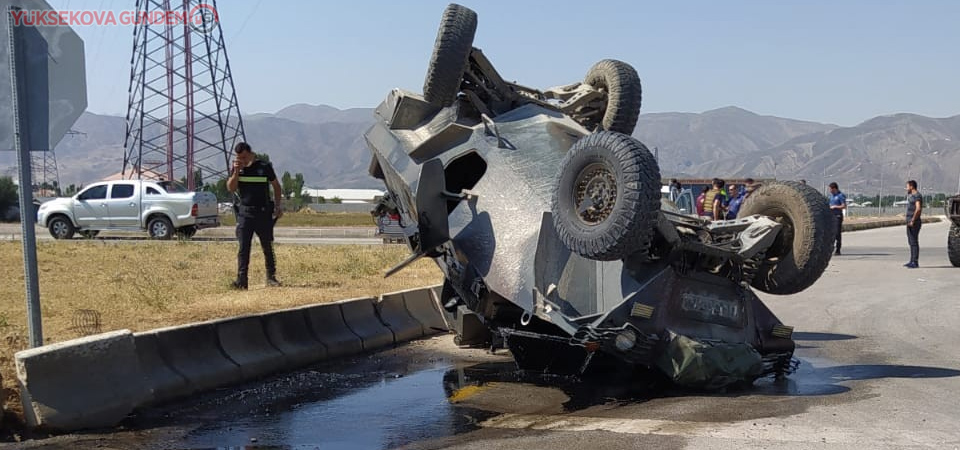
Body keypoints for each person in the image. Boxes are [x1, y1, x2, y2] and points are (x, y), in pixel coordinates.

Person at [227, 142, 284, 289]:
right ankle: (241, 281)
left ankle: (271, 277)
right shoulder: (237, 168)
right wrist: (236, 172)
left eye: (244, 157)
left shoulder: (264, 167)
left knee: (267, 246)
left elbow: (277, 186)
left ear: (250, 153)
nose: (242, 160)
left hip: (263, 213)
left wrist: (277, 206)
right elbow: (231, 188)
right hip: (245, 213)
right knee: (243, 247)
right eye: (239, 157)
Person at [904, 180, 923, 268]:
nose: (906, 188)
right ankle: (911, 260)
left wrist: (913, 220)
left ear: (911, 186)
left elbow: (918, 209)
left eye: (907, 186)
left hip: (914, 222)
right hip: (909, 222)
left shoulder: (917, 196)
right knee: (911, 242)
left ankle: (915, 262)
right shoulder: (911, 196)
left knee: (914, 242)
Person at [828, 182, 846, 255]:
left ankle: (838, 250)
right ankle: (831, 248)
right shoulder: (831, 196)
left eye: (830, 189)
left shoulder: (840, 196)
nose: (829, 191)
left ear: (834, 188)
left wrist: (835, 207)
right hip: (831, 216)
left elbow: (844, 206)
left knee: (837, 233)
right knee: (831, 233)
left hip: (838, 216)